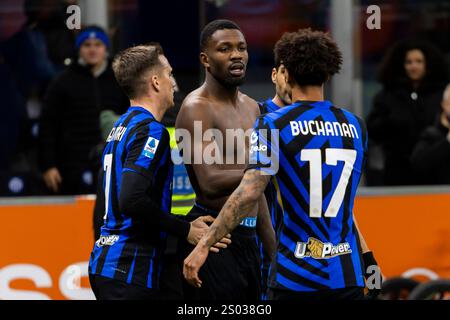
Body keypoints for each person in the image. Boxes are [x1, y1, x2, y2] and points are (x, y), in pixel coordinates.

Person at [184, 28, 381, 301]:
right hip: (346, 273)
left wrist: (204, 244)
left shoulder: (273, 124)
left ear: (285, 72)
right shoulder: (355, 125)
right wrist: (368, 257)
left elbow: (248, 193)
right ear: (328, 72)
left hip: (295, 276)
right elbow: (343, 204)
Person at [88, 43, 228, 300]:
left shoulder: (122, 124)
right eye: (169, 74)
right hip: (128, 268)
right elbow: (131, 200)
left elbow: (129, 201)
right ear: (155, 81)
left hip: (109, 263)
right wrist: (185, 230)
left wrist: (183, 222)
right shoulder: (151, 130)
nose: (172, 82)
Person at [175, 19, 276, 300]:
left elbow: (256, 192)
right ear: (205, 60)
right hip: (214, 239)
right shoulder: (197, 107)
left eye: (241, 48)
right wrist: (266, 170)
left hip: (249, 240)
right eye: (225, 48)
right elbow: (209, 181)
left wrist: (273, 252)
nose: (236, 54)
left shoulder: (253, 107)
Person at [38, 26, 129, 195]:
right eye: (87, 44)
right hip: (71, 167)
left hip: (114, 163)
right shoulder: (61, 82)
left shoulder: (120, 81)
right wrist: (48, 165)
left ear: (106, 48)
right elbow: (48, 126)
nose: (92, 49)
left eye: (97, 44)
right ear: (79, 49)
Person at [366, 39, 449, 186]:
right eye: (409, 62)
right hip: (396, 172)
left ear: (428, 64)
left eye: (418, 61)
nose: (413, 66)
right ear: (401, 65)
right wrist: (391, 122)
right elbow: (372, 129)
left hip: (434, 171)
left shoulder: (441, 95)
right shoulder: (387, 95)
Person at [258, 63, 292, 298]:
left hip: (299, 250)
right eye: (285, 75)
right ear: (274, 75)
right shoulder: (256, 115)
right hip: (258, 242)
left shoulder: (316, 122)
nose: (290, 83)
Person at [411, 84, 450, 184]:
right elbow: (418, 166)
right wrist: (447, 141)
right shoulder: (431, 134)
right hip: (436, 195)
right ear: (444, 104)